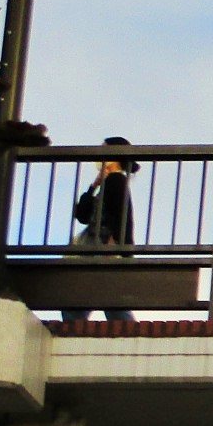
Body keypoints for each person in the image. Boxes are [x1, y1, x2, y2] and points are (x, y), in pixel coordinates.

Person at [63, 136, 139, 323]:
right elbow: (82, 215)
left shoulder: (116, 181)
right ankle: (130, 333)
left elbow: (123, 215)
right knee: (109, 298)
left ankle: (73, 332)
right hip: (98, 245)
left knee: (79, 298)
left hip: (102, 245)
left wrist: (116, 245)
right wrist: (93, 186)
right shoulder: (109, 181)